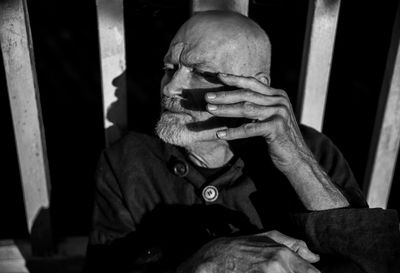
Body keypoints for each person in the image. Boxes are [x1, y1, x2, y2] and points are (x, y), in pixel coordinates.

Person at [84, 10, 400, 273]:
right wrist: (198, 263)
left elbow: (375, 261)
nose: (169, 88)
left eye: (200, 72)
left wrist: (297, 163)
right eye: (170, 68)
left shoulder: (311, 149)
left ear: (255, 86)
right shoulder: (128, 160)